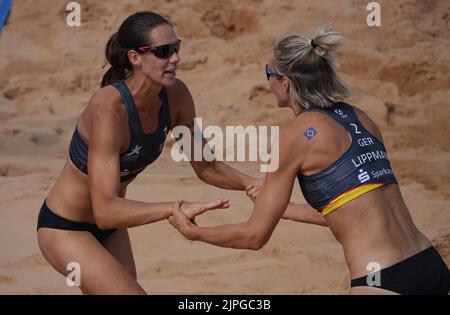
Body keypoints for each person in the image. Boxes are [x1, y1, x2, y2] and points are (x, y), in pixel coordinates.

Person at [168, 26, 450, 295]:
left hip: (381, 278)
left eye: (268, 73)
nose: (266, 81)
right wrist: (284, 208)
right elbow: (356, 212)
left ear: (285, 84)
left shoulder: (296, 135)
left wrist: (195, 233)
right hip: (429, 264)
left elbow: (254, 236)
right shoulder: (361, 117)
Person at [37, 11, 259, 295]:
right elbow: (104, 209)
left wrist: (254, 183)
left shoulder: (176, 96)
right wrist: (172, 208)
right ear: (134, 58)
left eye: (176, 47)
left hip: (112, 228)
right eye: (164, 52)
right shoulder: (108, 108)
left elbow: (208, 167)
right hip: (65, 228)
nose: (176, 59)